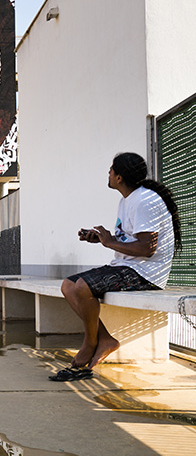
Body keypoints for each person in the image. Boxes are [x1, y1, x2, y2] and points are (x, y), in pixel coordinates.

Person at [50, 152, 182, 382]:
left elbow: (146, 248)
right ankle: (105, 339)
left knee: (82, 286)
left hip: (146, 273)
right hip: (128, 266)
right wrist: (101, 239)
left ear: (119, 177)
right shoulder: (127, 200)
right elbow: (128, 240)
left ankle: (90, 342)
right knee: (69, 285)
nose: (108, 173)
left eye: (111, 170)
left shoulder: (144, 201)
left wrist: (109, 241)